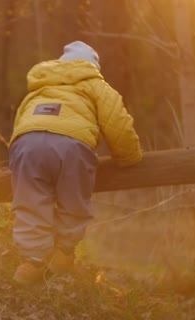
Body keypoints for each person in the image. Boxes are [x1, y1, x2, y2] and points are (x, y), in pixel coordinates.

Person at [8, 41, 143, 285]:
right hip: (72, 145)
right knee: (73, 202)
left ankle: (32, 263)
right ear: (92, 66)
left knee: (30, 202)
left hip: (27, 142)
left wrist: (21, 155)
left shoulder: (39, 87)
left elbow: (21, 120)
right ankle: (63, 255)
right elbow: (118, 124)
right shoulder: (96, 85)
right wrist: (129, 157)